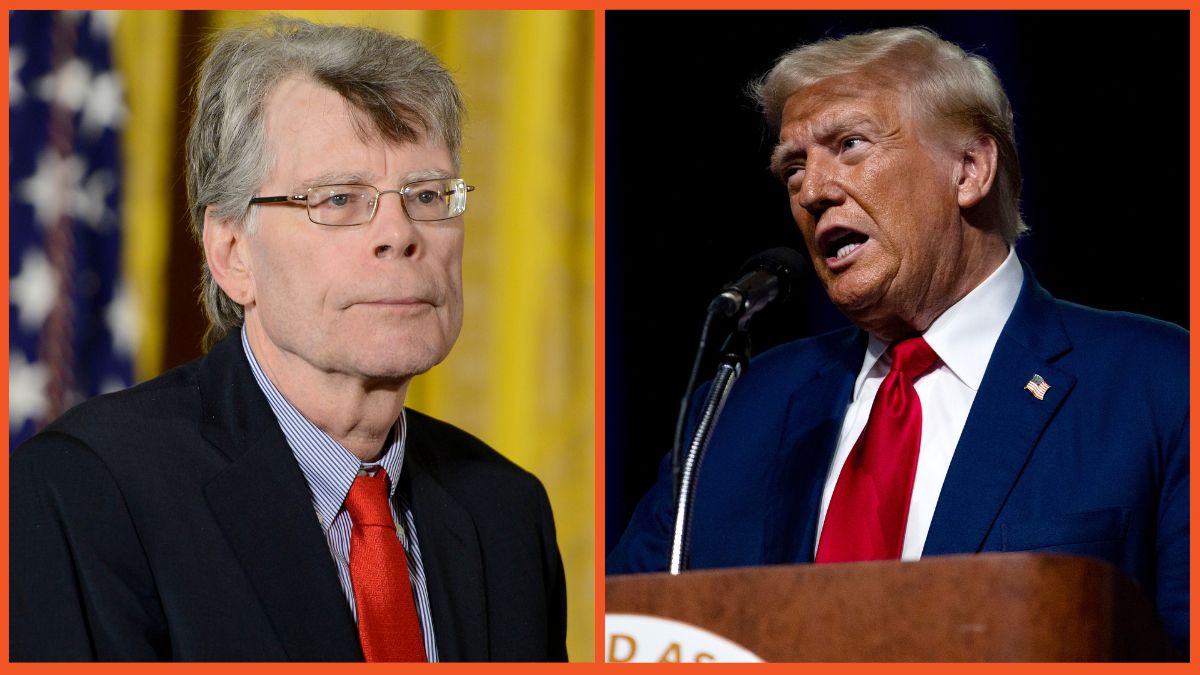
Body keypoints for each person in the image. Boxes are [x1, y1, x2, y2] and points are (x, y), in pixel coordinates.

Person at [607, 26, 1188, 657]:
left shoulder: (1159, 383)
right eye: (793, 167)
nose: (812, 190)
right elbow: (626, 632)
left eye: (849, 145)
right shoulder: (738, 411)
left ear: (969, 169)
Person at [11, 17, 566, 662]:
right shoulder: (84, 492)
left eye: (425, 194)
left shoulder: (506, 510)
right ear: (232, 253)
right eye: (337, 199)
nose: (399, 232)